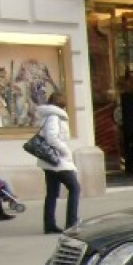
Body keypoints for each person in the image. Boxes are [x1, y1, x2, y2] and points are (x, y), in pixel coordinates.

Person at [34, 91, 80, 234]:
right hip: (58, 160)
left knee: (52, 192)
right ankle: (71, 222)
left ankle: (49, 224)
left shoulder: (49, 115)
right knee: (74, 187)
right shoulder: (54, 116)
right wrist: (66, 151)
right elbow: (52, 138)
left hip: (50, 160)